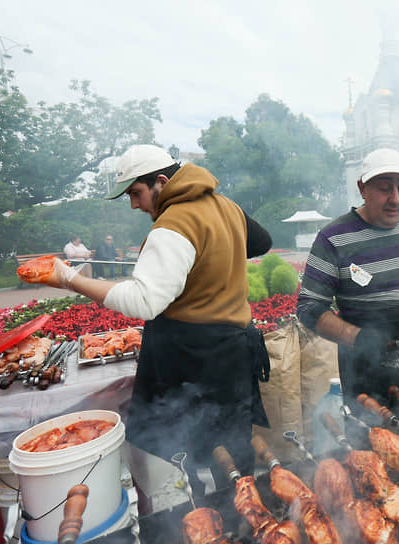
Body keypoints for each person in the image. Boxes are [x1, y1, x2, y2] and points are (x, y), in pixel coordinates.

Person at [40, 144, 273, 486]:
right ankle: (241, 518)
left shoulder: (174, 223)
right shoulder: (226, 206)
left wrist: (71, 279)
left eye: (136, 193)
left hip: (195, 362)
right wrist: (220, 248)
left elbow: (143, 302)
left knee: (191, 454)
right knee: (232, 448)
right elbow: (262, 241)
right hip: (233, 354)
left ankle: (204, 518)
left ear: (161, 182)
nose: (134, 204)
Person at [296, 147, 399, 412]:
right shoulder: (333, 238)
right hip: (367, 365)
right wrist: (358, 337)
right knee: (372, 445)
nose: (395, 199)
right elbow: (308, 307)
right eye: (385, 189)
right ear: (363, 189)